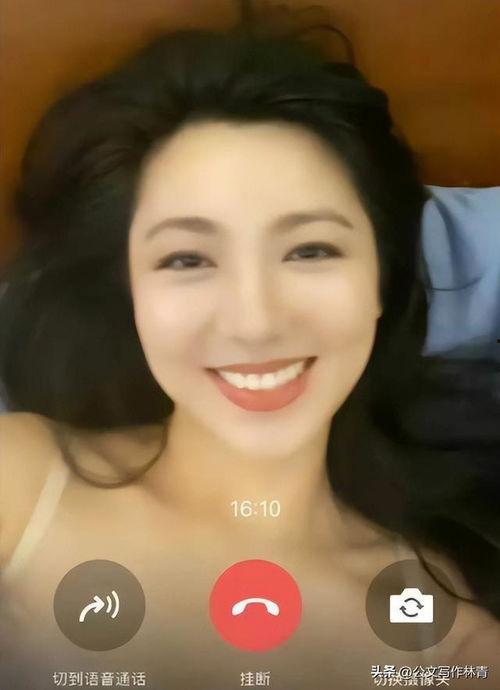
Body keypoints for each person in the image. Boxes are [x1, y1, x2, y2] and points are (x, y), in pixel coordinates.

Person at [0, 6, 499, 689]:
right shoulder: (19, 483)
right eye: (186, 259)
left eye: (311, 250)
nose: (255, 322)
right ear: (131, 297)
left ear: (382, 279)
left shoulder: (446, 638)